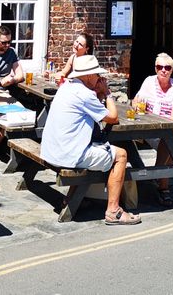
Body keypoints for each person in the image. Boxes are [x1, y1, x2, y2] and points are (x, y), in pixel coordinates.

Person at [41, 55, 141, 226]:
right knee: (121, 155)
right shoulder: (85, 94)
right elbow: (113, 118)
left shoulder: (66, 87)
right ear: (88, 76)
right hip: (68, 155)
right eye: (96, 74)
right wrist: (107, 93)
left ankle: (70, 199)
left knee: (90, 145)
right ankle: (113, 211)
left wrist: (99, 93)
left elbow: (94, 112)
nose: (99, 78)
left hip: (52, 151)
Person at [132, 52, 173, 205]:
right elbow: (136, 101)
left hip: (172, 130)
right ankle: (161, 185)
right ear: (155, 68)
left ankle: (159, 179)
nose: (163, 70)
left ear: (172, 70)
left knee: (171, 136)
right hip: (150, 130)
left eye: (167, 67)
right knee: (128, 141)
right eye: (160, 67)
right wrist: (136, 106)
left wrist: (164, 127)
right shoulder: (149, 82)